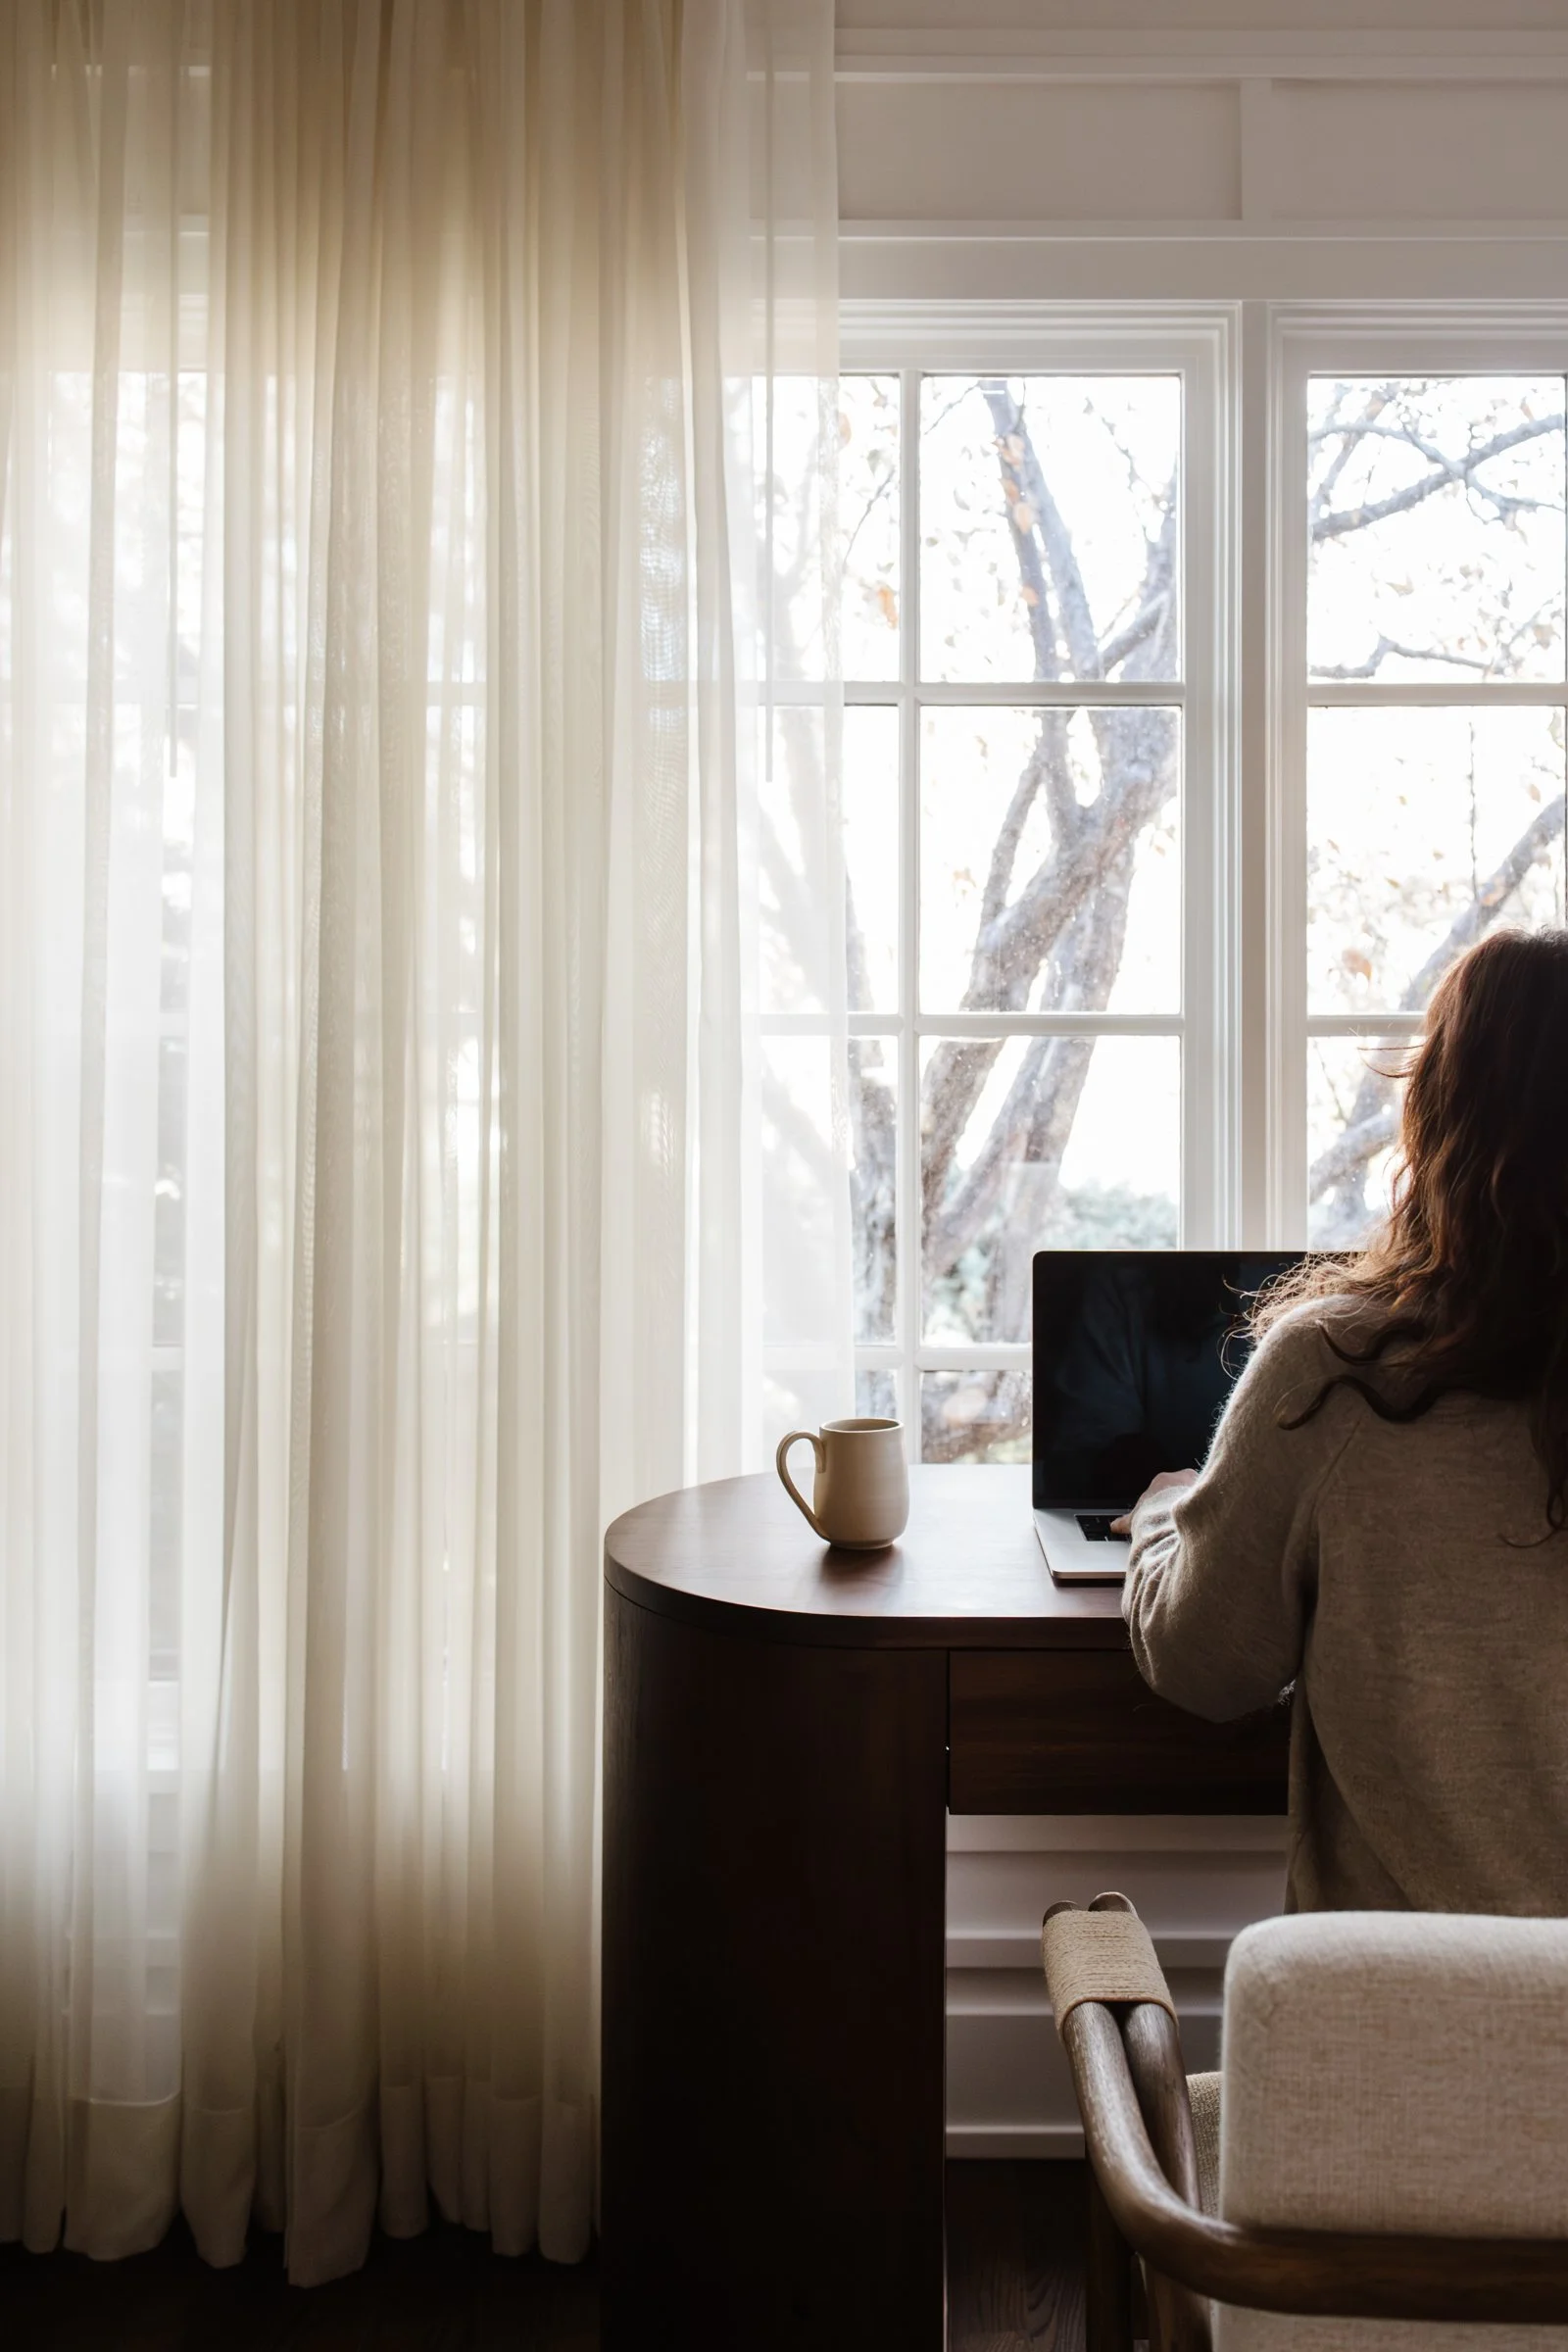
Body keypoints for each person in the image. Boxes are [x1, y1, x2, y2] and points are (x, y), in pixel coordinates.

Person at [1118, 927, 1568, 1914]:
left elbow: (1205, 1663)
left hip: (1393, 2048)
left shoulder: (1341, 1373)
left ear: (1438, 1116)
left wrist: (1168, 1520)